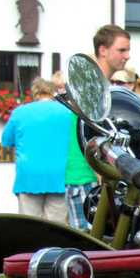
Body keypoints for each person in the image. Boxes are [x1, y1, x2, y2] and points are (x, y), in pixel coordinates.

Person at [1, 76, 73, 223]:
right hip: (60, 176)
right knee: (56, 227)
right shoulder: (68, 112)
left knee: (30, 227)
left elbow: (6, 141)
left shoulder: (20, 112)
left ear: (35, 93)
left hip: (29, 177)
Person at [53, 70, 96, 231]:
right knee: (89, 234)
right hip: (81, 175)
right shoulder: (80, 106)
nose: (60, 92)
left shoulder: (68, 109)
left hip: (75, 176)